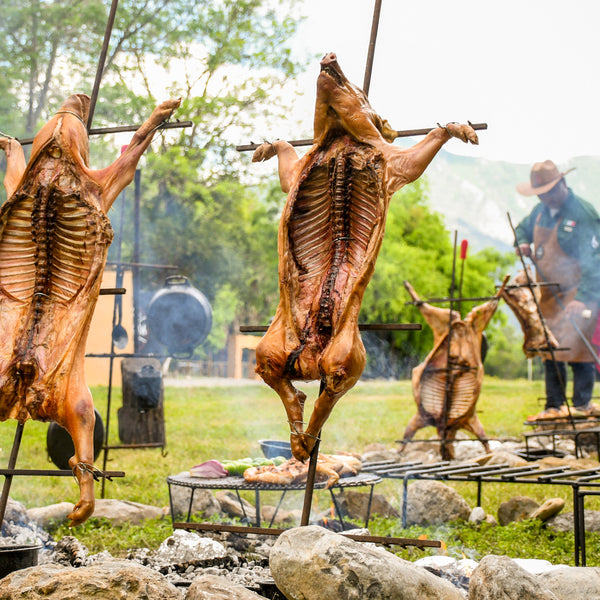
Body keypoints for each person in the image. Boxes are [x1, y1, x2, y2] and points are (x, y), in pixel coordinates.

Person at [514, 160, 600, 420]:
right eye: (540, 193)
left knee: (578, 350)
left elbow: (596, 261)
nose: (544, 197)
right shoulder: (540, 211)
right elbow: (521, 228)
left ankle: (582, 407)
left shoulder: (583, 213)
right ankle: (554, 407)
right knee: (551, 351)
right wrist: (523, 242)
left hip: (579, 292)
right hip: (548, 294)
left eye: (549, 191)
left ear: (562, 184)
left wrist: (583, 299)